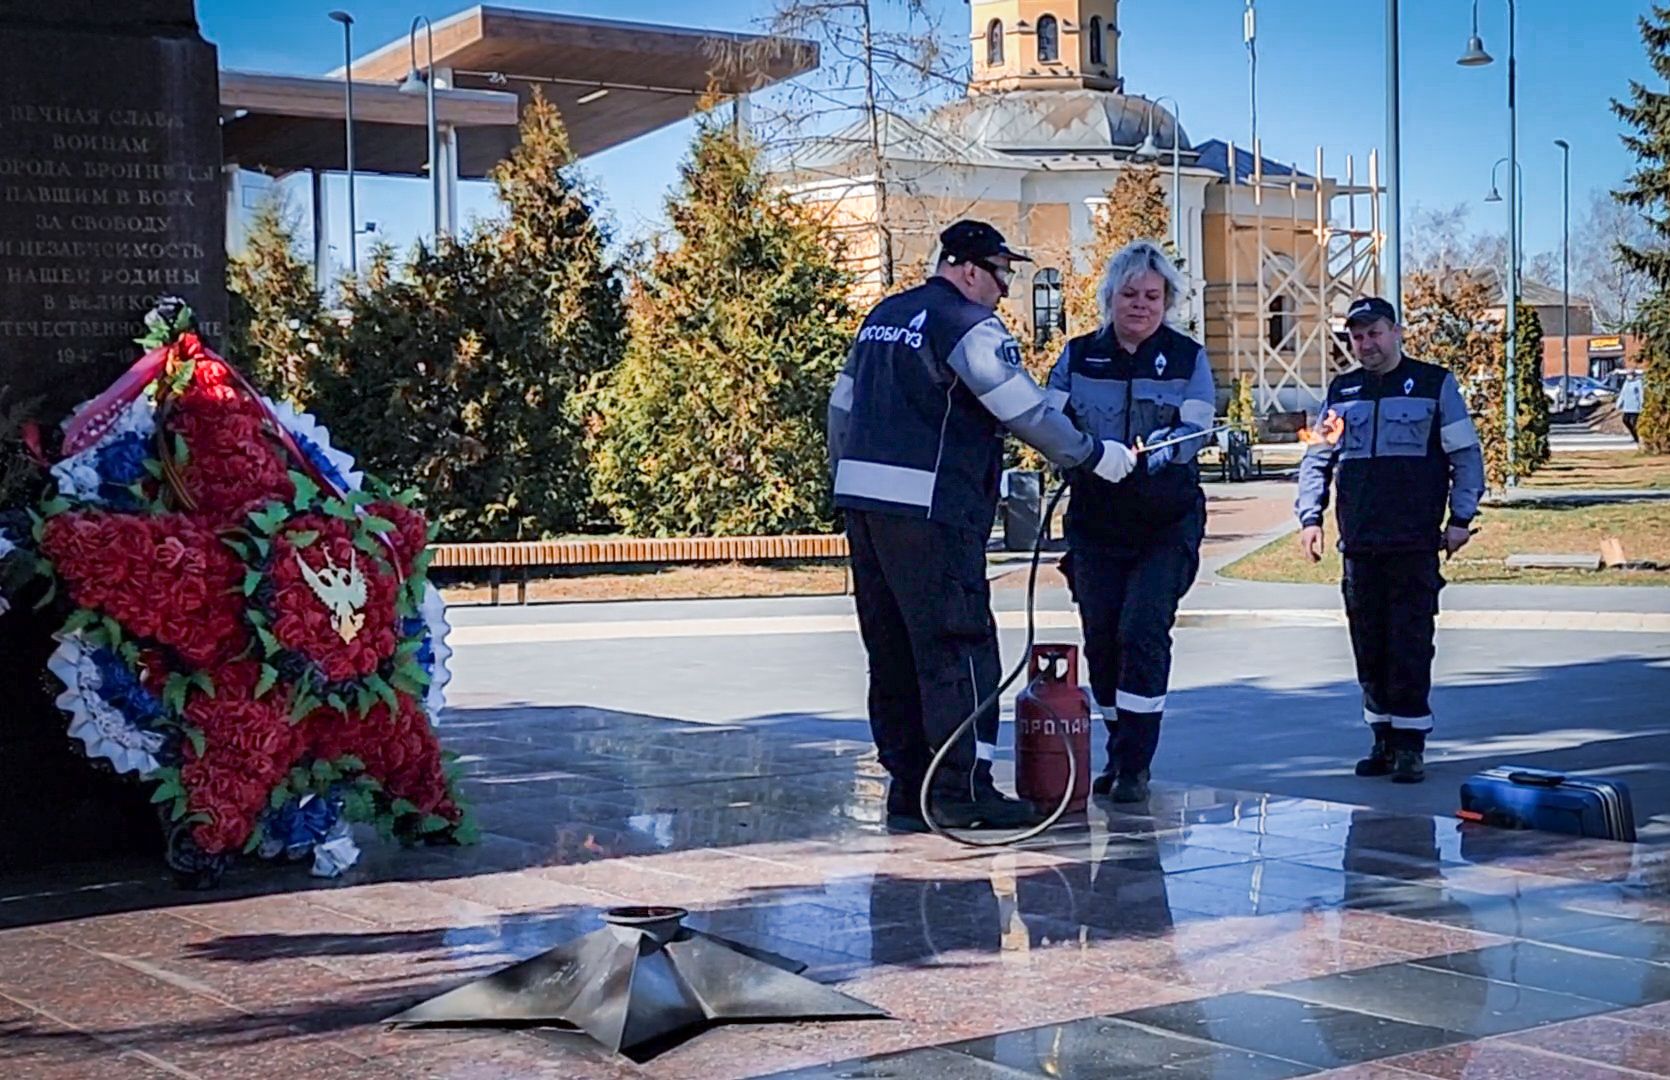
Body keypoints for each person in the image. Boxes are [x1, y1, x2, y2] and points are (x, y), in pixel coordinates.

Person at [827, 220, 1135, 832]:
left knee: (891, 651)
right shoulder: (965, 323)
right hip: (934, 507)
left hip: (864, 506)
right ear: (968, 268)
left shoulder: (884, 316)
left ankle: (908, 790)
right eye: (1001, 275)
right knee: (956, 644)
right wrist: (1092, 454)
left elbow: (841, 406)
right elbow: (1019, 404)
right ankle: (962, 791)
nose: (1004, 289)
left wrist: (848, 481)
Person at [1045, 240, 1216, 804]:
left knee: (1142, 629)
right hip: (1096, 521)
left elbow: (1196, 429)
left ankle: (1136, 765)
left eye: (1152, 295)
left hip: (1165, 521)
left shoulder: (1188, 357)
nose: (1140, 305)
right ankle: (1119, 748)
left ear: (1168, 300)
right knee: (1102, 640)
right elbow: (1048, 420)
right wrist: (1089, 453)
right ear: (1109, 297)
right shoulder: (1077, 355)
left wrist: (1159, 449)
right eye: (1129, 294)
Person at [1295, 296, 1486, 785]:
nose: (1366, 344)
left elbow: (1466, 456)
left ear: (1396, 332)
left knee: (1410, 643)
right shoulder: (1342, 391)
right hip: (1360, 543)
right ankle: (1380, 737)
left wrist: (1461, 516)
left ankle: (1409, 746)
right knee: (1369, 645)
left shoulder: (1433, 384)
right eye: (1357, 336)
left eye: (1374, 333)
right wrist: (1310, 517)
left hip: (1414, 542)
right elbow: (1318, 460)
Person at [1619, 370, 1645, 442]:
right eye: (1628, 374)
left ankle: (1637, 438)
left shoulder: (1638, 382)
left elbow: (1641, 393)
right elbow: (1622, 393)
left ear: (1634, 375)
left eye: (1630, 374)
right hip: (1627, 406)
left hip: (1635, 407)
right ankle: (1634, 435)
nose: (1629, 376)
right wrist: (1619, 403)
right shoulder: (1626, 382)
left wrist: (1642, 403)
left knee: (1633, 423)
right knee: (1625, 420)